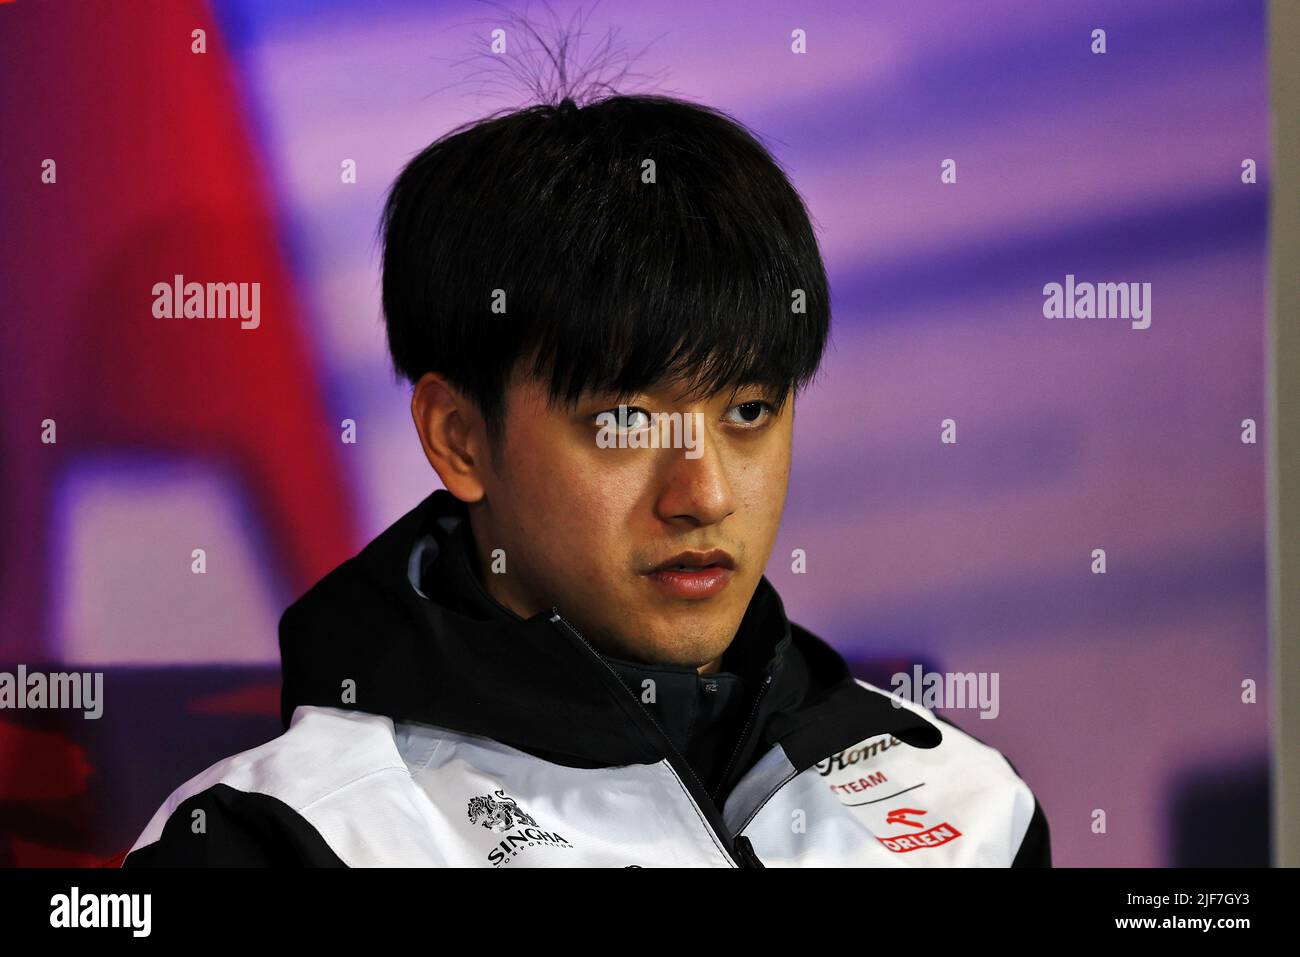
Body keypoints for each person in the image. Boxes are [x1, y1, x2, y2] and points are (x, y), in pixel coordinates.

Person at [123, 91, 1050, 867]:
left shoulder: (968, 811)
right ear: (461, 439)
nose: (706, 493)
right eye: (625, 421)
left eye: (749, 412)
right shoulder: (283, 842)